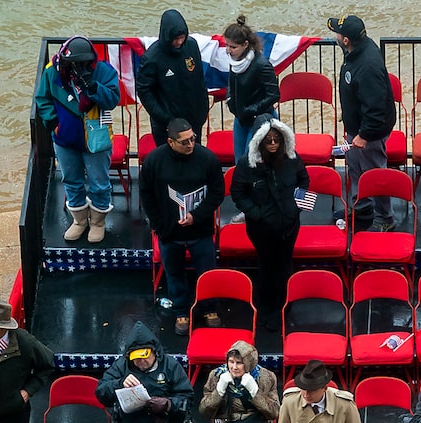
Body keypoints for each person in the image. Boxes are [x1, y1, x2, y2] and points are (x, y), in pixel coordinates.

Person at [139, 117, 225, 331]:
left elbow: (216, 193)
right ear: (170, 142)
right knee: (174, 272)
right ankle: (181, 310)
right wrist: (159, 225)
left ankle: (208, 308)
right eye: (184, 141)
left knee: (207, 272)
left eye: (192, 139)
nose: (190, 145)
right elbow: (146, 196)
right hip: (169, 231)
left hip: (201, 228)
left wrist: (197, 216)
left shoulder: (207, 159)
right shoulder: (153, 161)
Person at [33, 36, 120, 246]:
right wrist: (54, 122)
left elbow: (113, 100)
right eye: (74, 63)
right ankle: (79, 221)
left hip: (95, 139)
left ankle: (98, 223)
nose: (78, 67)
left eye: (84, 63)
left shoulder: (105, 71)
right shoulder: (51, 71)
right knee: (71, 180)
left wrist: (93, 86)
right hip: (64, 138)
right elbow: (42, 99)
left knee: (99, 183)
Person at [230, 118, 308, 316]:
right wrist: (256, 213)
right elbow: (238, 193)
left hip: (289, 224)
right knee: (266, 264)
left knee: (285, 263)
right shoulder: (247, 164)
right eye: (268, 141)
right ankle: (265, 306)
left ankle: (284, 305)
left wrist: (296, 207)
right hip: (261, 227)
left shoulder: (292, 158)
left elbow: (304, 181)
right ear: (259, 142)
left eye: (277, 140)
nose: (273, 144)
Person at [330, 14, 397, 207]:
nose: (335, 37)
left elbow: (375, 108)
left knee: (375, 175)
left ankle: (385, 217)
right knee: (356, 170)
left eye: (337, 34)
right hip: (356, 127)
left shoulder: (368, 65)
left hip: (369, 133)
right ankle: (360, 206)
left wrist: (364, 135)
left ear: (345, 40)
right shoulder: (356, 50)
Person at [137, 8, 211, 146]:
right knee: (170, 164)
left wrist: (203, 109)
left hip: (194, 119)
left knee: (195, 159)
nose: (179, 42)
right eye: (175, 39)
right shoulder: (151, 58)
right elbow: (144, 92)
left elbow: (200, 80)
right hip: (167, 125)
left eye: (181, 38)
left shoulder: (191, 46)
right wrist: (166, 118)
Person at [222, 16, 279, 164]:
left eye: (233, 47)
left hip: (259, 119)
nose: (228, 50)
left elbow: (274, 95)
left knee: (250, 160)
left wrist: (251, 109)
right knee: (239, 160)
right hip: (240, 118)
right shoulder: (234, 61)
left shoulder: (262, 65)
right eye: (227, 45)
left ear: (245, 44)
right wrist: (230, 100)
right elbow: (231, 84)